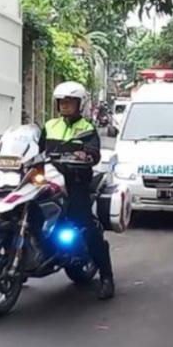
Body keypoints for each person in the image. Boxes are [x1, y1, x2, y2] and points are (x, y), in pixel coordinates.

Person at [39, 81, 115, 300]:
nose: (65, 105)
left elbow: (94, 154)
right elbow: (36, 148)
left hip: (76, 182)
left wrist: (85, 156)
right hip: (51, 178)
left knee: (85, 224)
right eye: (62, 102)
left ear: (79, 104)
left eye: (69, 102)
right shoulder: (50, 125)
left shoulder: (87, 129)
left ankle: (107, 277)